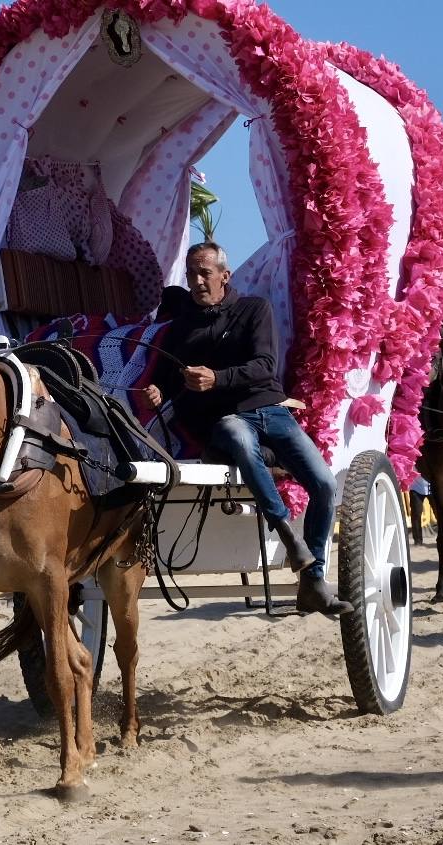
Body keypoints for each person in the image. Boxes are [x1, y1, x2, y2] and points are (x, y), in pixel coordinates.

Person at [143, 242, 352, 616]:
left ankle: (313, 580)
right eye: (191, 273)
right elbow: (165, 376)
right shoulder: (182, 325)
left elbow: (265, 366)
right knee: (239, 438)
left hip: (271, 410)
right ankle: (288, 534)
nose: (196, 281)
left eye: (204, 272)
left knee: (323, 484)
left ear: (225, 275)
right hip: (223, 421)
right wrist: (159, 389)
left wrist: (217, 378)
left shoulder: (254, 309)